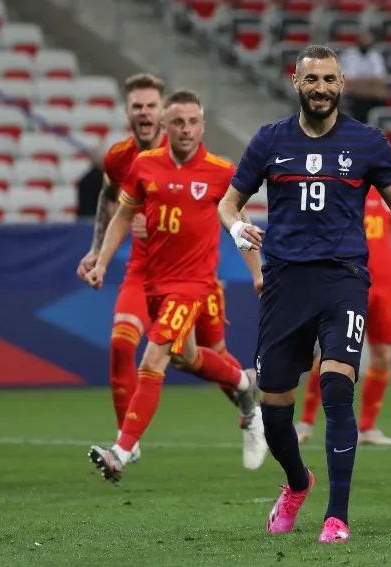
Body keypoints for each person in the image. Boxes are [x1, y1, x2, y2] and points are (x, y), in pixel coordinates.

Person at [217, 45, 391, 544]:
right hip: (286, 282)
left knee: (337, 387)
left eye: (330, 79)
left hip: (343, 279)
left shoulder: (368, 143)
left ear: (342, 83)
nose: (322, 88)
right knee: (274, 408)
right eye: (312, 79)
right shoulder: (269, 141)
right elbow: (230, 204)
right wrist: (236, 229)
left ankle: (338, 516)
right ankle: (297, 483)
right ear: (296, 82)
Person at [77, 75, 267, 472]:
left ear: (202, 125)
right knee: (189, 357)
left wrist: (257, 273)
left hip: (195, 285)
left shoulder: (219, 171)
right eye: (177, 122)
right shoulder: (141, 165)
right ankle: (245, 384)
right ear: (166, 125)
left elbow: (241, 224)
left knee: (155, 354)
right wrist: (100, 258)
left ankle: (122, 451)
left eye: (193, 122)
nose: (185, 129)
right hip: (152, 281)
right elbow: (121, 215)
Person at [295, 186, 391, 446]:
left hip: (384, 286)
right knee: (333, 352)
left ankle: (367, 428)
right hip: (350, 282)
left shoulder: (387, 190)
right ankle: (305, 422)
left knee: (384, 354)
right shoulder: (340, 188)